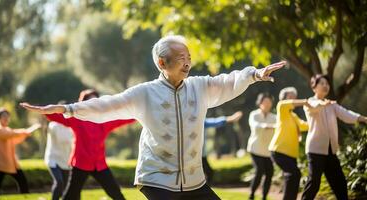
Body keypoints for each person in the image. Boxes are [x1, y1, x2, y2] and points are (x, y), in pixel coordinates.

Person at [20, 35, 286, 200]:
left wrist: (255, 74)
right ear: (161, 63)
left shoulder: (201, 87)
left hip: (194, 182)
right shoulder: (144, 94)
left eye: (189, 57)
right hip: (156, 178)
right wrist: (67, 109)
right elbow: (107, 105)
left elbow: (228, 80)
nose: (187, 62)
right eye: (180, 57)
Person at [45, 89, 135, 200]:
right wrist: (42, 109)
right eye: (90, 101)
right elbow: (54, 115)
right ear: (84, 104)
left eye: (96, 101)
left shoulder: (105, 120)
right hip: (80, 164)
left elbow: (125, 119)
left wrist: (140, 114)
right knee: (70, 196)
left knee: (116, 193)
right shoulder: (77, 119)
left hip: (100, 164)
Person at [301, 74, 367, 200]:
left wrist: (363, 118)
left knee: (340, 184)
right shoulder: (309, 103)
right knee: (314, 183)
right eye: (322, 83)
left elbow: (346, 114)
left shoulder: (332, 105)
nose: (326, 86)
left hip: (331, 151)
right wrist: (324, 104)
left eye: (327, 84)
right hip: (315, 150)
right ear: (314, 87)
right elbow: (314, 109)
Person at [0, 107, 40, 200]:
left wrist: (26, 133)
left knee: (22, 180)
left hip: (11, 162)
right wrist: (26, 131)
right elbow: (12, 134)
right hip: (1, 162)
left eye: (8, 116)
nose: (7, 118)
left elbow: (14, 139)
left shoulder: (6, 129)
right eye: (4, 116)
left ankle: (26, 197)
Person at [247, 93, 276, 200]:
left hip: (268, 151)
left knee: (269, 173)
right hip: (255, 149)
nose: (267, 104)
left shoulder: (274, 117)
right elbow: (255, 125)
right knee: (259, 171)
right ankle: (252, 194)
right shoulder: (254, 114)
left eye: (269, 102)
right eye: (265, 102)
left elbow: (280, 126)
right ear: (260, 103)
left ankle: (264, 196)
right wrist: (268, 126)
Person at [202, 111, 243, 184]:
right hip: (195, 156)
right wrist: (231, 118)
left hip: (201, 155)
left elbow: (215, 122)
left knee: (209, 172)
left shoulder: (202, 122)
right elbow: (215, 122)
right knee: (208, 172)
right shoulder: (195, 122)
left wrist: (231, 119)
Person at [44, 101, 74, 200]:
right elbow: (61, 138)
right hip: (53, 159)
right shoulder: (53, 125)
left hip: (66, 161)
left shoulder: (72, 127)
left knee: (65, 186)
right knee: (59, 182)